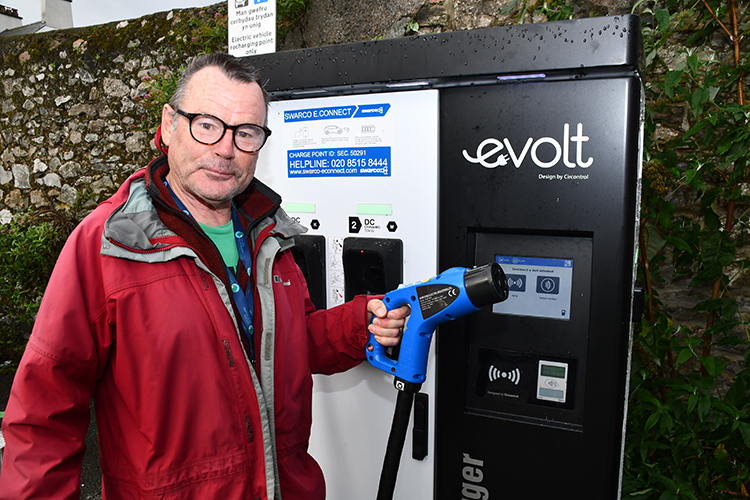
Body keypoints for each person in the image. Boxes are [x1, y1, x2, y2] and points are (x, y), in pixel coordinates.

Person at [0, 52, 409, 500]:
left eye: (246, 133)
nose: (226, 149)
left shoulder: (270, 231)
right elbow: (44, 414)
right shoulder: (109, 243)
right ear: (170, 124)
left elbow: (291, 343)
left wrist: (359, 322)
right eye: (208, 125)